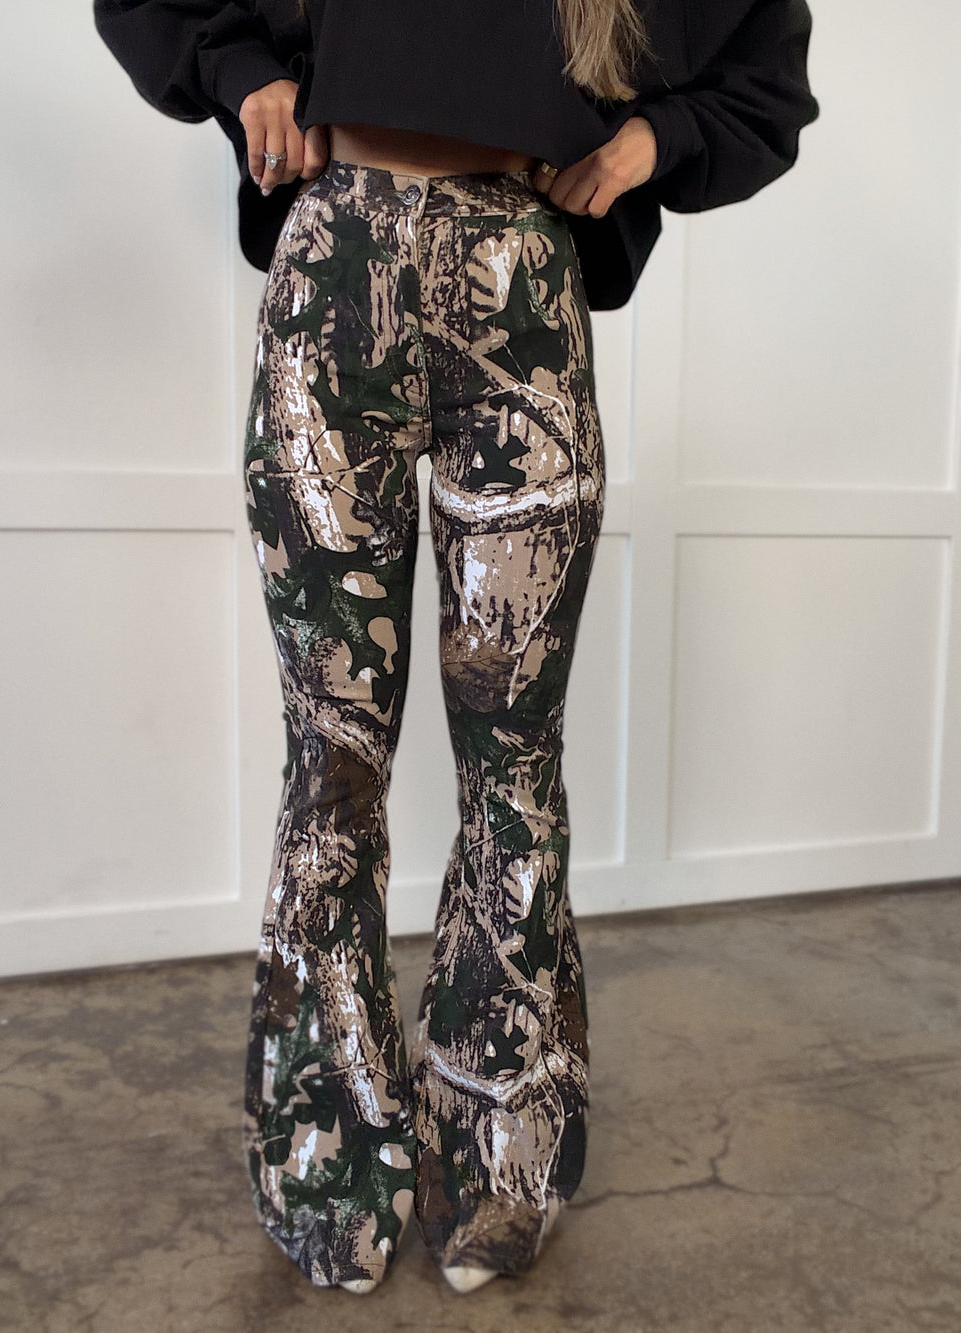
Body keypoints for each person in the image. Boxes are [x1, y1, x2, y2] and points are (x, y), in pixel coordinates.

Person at [93, 0, 820, 1298]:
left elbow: (765, 64)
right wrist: (243, 71)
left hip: (521, 276)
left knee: (512, 759)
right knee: (333, 759)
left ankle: (500, 1148)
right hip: (336, 263)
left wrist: (651, 141)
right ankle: (330, 1147)